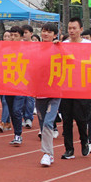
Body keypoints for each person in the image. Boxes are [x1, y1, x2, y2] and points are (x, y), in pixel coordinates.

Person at [60, 17, 91, 159]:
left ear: (81, 29)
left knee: (80, 118)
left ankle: (84, 141)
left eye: (74, 28)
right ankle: (69, 149)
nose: (71, 31)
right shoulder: (63, 45)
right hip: (66, 87)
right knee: (66, 119)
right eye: (69, 28)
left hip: (81, 87)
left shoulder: (88, 45)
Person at [35, 22, 60, 166]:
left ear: (55, 35)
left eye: (49, 32)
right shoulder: (35, 48)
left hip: (55, 92)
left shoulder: (59, 47)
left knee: (48, 122)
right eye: (44, 31)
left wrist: (59, 46)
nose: (46, 34)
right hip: (39, 91)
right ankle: (49, 153)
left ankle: (46, 153)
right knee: (42, 123)